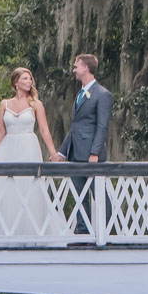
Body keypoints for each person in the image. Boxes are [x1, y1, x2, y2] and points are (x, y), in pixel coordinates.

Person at [0, 68, 69, 236]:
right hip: (8, 146)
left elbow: (44, 130)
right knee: (3, 187)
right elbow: (0, 131)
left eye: (30, 79)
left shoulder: (36, 104)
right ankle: (5, 230)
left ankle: (32, 231)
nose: (29, 82)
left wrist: (53, 153)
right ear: (16, 83)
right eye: (25, 79)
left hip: (28, 145)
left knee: (28, 186)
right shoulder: (4, 104)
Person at [52, 53, 112, 234]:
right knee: (79, 195)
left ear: (86, 68)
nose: (74, 70)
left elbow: (102, 126)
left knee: (99, 193)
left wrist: (95, 153)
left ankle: (106, 231)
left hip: (91, 154)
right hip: (75, 153)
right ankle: (83, 231)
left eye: (76, 66)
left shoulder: (103, 94)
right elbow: (75, 126)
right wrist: (62, 152)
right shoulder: (80, 93)